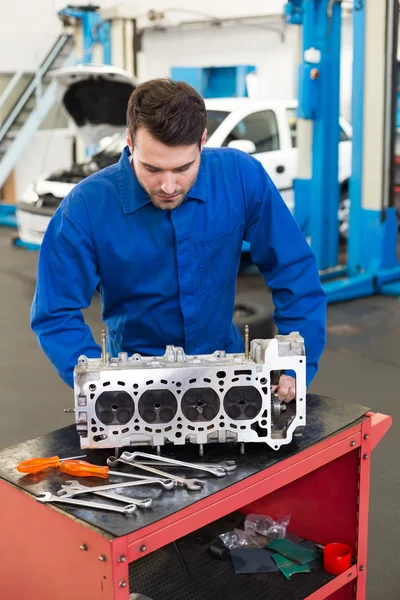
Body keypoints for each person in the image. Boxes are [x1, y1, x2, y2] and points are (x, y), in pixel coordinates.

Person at [31, 78, 327, 402]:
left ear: (202, 142)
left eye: (183, 168)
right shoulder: (84, 208)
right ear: (130, 141)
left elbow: (294, 268)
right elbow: (55, 312)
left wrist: (297, 360)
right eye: (152, 168)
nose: (169, 186)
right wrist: (99, 385)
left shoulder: (241, 177)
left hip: (226, 375)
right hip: (135, 385)